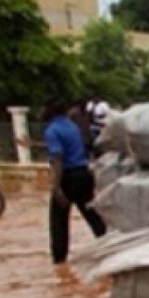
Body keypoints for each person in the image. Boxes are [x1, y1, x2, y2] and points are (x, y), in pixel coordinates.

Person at [45, 99, 107, 263]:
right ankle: (109, 246)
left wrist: (56, 187)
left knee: (58, 221)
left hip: (67, 177)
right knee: (93, 216)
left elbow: (58, 158)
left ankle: (59, 260)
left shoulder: (52, 130)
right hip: (84, 175)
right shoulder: (72, 127)